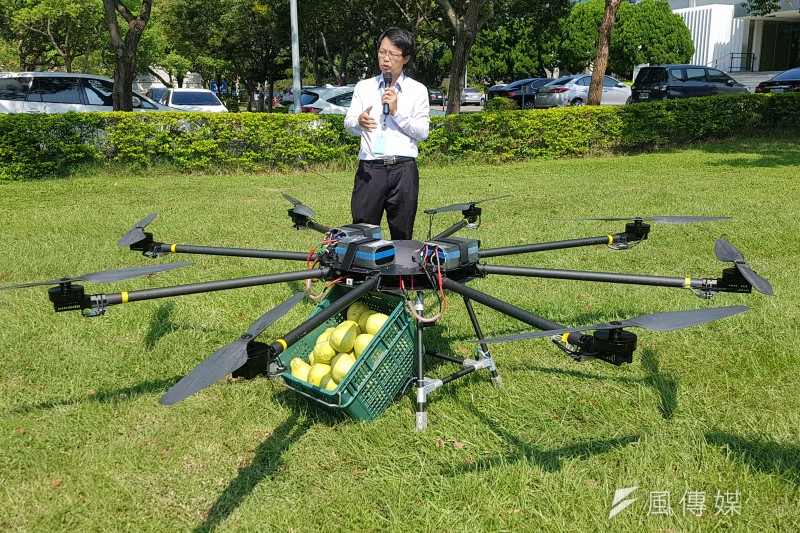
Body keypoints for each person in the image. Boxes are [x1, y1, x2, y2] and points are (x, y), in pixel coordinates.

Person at [344, 27, 430, 241]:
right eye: (382, 52)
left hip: (403, 170)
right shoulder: (364, 87)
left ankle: (399, 276)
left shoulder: (417, 90)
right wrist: (358, 122)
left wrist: (397, 112)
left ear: (406, 58)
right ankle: (364, 275)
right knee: (362, 234)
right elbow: (348, 124)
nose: (386, 59)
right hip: (370, 169)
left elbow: (422, 132)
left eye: (393, 54)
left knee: (402, 234)